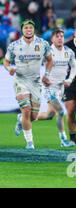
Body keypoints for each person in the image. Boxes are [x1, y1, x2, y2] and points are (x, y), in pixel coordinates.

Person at [4, 20, 53, 149]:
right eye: (26, 28)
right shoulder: (14, 45)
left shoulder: (43, 44)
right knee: (26, 109)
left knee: (33, 116)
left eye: (30, 27)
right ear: (22, 30)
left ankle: (21, 120)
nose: (28, 30)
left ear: (34, 29)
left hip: (36, 82)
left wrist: (46, 74)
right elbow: (6, 61)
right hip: (20, 81)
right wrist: (9, 69)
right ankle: (30, 143)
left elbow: (50, 60)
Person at [37, 29, 76, 147]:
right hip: (48, 87)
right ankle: (63, 139)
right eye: (57, 36)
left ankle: (24, 117)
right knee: (60, 112)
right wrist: (43, 77)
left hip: (60, 87)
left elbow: (74, 67)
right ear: (52, 39)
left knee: (49, 115)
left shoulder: (68, 52)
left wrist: (69, 79)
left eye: (61, 36)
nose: (60, 38)